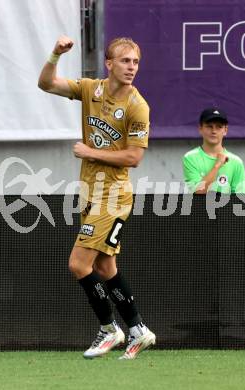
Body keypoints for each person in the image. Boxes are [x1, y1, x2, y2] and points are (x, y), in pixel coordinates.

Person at [38, 36, 156, 359]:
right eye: (125, 61)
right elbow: (46, 83)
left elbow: (134, 158)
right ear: (109, 64)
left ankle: (109, 329)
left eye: (135, 62)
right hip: (90, 192)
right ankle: (137, 329)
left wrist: (90, 151)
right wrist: (55, 54)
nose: (131, 67)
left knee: (78, 264)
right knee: (105, 267)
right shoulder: (92, 89)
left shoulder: (137, 106)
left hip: (113, 195)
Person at [182, 108, 245, 194]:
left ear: (225, 130)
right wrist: (217, 165)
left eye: (219, 127)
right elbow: (199, 193)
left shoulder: (236, 162)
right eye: (209, 126)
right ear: (200, 129)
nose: (214, 131)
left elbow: (241, 199)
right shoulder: (190, 158)